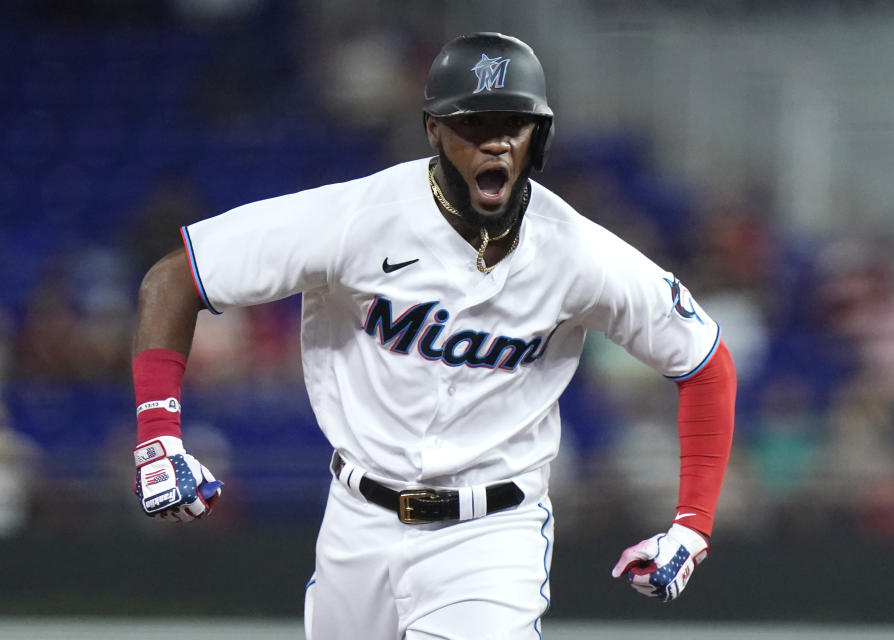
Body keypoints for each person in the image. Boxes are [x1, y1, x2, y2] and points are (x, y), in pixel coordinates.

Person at [131, 32, 736, 639]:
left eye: (514, 123)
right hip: (356, 522)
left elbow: (705, 362)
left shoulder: (578, 253)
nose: (495, 139)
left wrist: (692, 524)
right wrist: (159, 435)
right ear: (433, 130)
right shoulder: (360, 218)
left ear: (538, 137)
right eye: (473, 123)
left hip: (491, 534)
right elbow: (174, 279)